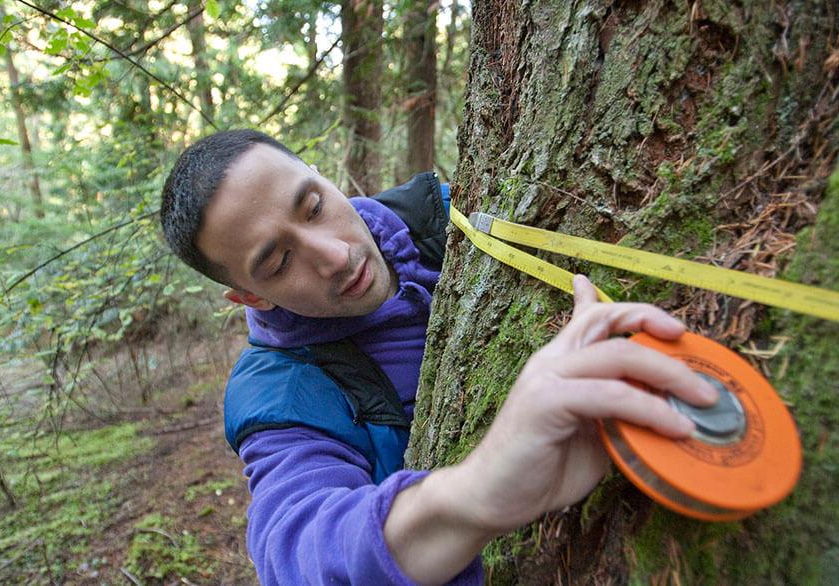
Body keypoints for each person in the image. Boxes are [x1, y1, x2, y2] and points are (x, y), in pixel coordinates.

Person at [160, 129, 717, 585]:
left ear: (327, 179)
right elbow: (295, 547)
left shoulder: (449, 216)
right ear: (251, 297)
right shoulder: (281, 393)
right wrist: (476, 491)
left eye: (313, 207)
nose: (334, 255)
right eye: (279, 263)